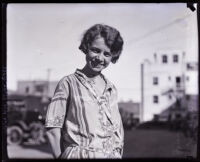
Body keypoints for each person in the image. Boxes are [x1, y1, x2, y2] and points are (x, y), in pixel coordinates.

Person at [45, 24, 124, 159]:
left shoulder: (111, 89)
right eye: (95, 50)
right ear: (86, 47)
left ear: (113, 56)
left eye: (107, 54)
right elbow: (53, 130)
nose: (100, 58)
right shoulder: (68, 84)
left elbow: (117, 132)